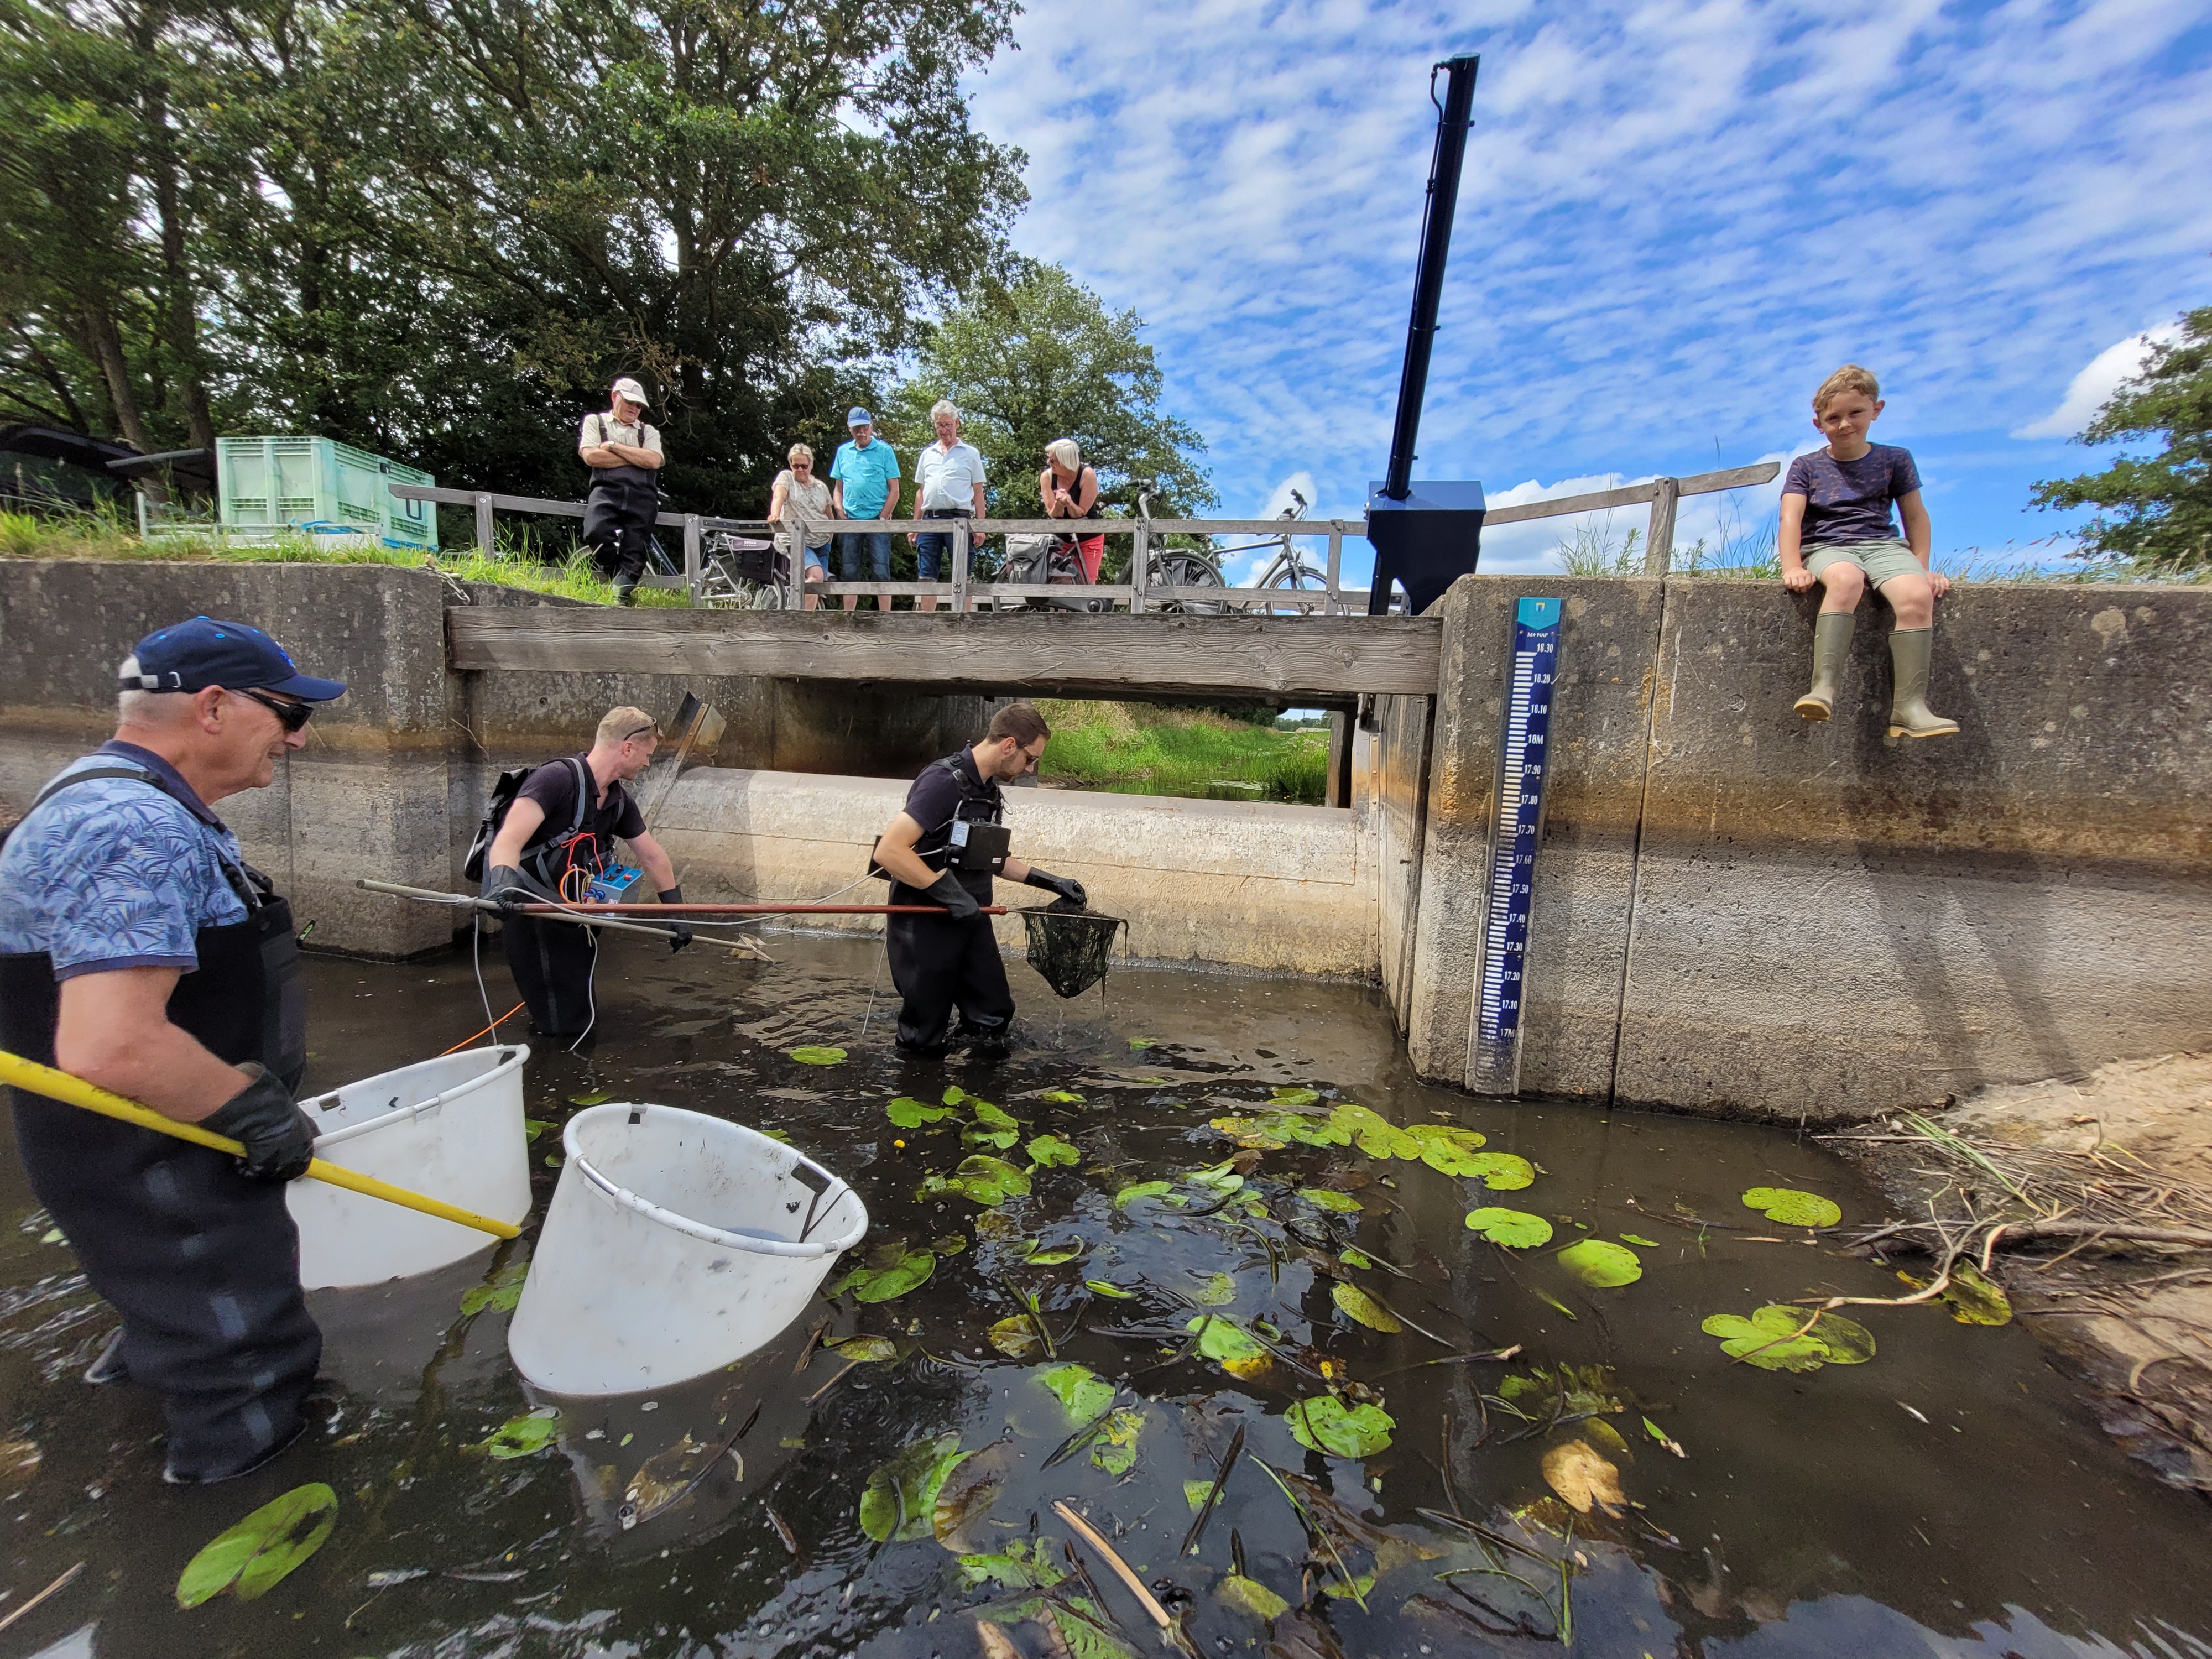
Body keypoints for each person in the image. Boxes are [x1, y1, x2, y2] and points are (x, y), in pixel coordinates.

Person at [0, 617, 347, 1484]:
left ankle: (122, 1432)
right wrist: (253, 1114)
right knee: (247, 1370)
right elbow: (111, 1043)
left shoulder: (118, 800)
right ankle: (222, 1531)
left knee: (178, 1322)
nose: (298, 740)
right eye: (290, 715)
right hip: (160, 1162)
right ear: (215, 708)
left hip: (158, 1155)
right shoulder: (131, 825)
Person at [871, 703, 1087, 1058]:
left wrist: (1050, 882)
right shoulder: (943, 783)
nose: (1030, 768)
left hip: (971, 919)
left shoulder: (985, 789)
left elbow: (991, 858)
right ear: (1009, 745)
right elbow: (890, 851)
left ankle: (974, 1084)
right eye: (1030, 759)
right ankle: (919, 1081)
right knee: (924, 1032)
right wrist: (949, 894)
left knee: (993, 1014)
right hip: (925, 922)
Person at [480, 707, 693, 1047]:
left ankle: (559, 1066)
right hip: (534, 912)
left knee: (580, 1009)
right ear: (627, 748)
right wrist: (503, 883)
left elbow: (652, 856)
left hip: (578, 916)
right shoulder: (555, 780)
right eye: (648, 754)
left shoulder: (619, 801)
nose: (647, 763)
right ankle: (551, 1075)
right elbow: (509, 839)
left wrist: (676, 914)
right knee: (563, 1022)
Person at [1780, 364, 1957, 739]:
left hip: (1884, 545)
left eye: (1855, 413)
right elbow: (1790, 517)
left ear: (1876, 410)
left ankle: (1910, 708)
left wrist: (1921, 568)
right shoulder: (1807, 466)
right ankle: (1823, 688)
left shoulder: (1895, 460)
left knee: (1916, 595)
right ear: (1819, 424)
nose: (1845, 424)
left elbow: (1915, 515)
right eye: (1834, 418)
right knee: (1846, 580)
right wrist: (1792, 566)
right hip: (1827, 545)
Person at [579, 376, 665, 606]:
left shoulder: (649, 431)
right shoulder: (595, 422)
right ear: (614, 397)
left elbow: (654, 461)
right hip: (606, 491)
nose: (634, 408)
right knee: (595, 532)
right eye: (630, 402)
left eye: (639, 406)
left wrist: (613, 447)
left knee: (636, 548)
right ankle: (616, 574)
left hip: (643, 495)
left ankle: (620, 597)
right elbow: (592, 457)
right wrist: (636, 458)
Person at [909, 399, 988, 613]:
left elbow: (978, 492)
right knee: (926, 575)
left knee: (963, 573)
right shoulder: (927, 454)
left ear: (957, 423)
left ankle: (963, 620)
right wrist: (915, 525)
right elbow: (921, 492)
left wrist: (980, 526)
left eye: (947, 424)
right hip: (930, 519)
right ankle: (928, 622)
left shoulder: (970, 454)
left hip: (960, 519)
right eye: (940, 425)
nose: (944, 430)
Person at [829, 407, 901, 612]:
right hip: (850, 520)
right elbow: (838, 488)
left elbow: (895, 490)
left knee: (881, 569)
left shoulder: (885, 451)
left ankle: (885, 617)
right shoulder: (843, 452)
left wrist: (883, 517)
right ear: (849, 429)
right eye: (856, 428)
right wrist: (839, 511)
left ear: (871, 427)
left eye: (864, 427)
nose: (861, 432)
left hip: (877, 519)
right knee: (849, 569)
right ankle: (848, 616)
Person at [769, 443, 839, 611]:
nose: (800, 469)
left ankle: (807, 620)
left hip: (821, 543)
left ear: (811, 465)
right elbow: (778, 497)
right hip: (797, 540)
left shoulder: (820, 486)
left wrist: (830, 540)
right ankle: (795, 615)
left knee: (817, 585)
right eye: (796, 465)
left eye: (804, 466)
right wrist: (774, 515)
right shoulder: (787, 478)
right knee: (816, 575)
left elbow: (830, 515)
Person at [1040, 437, 1106, 584]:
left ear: (1066, 461)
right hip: (1061, 539)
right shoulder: (1047, 477)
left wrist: (1069, 503)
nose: (1049, 463)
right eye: (1048, 459)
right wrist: (1059, 504)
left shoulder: (1087, 475)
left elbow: (1081, 513)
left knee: (1087, 583)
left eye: (1053, 460)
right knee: (1060, 582)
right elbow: (1053, 513)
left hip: (1089, 537)